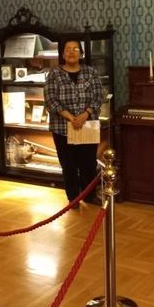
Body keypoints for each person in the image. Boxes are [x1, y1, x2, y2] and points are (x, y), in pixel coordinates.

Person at [44, 39, 103, 209]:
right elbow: (50, 100)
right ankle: (73, 198)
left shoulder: (91, 73)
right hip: (62, 127)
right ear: (63, 54)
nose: (71, 52)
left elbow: (99, 96)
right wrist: (71, 118)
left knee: (88, 164)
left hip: (87, 125)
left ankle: (89, 196)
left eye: (76, 49)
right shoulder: (54, 74)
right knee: (68, 165)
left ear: (81, 54)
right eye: (68, 49)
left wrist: (85, 114)